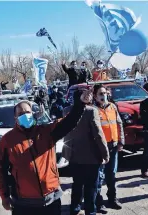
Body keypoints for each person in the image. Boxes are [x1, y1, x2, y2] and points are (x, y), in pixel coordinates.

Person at [0, 90, 87, 215]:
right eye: (20, 113)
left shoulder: (46, 132)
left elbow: (69, 122)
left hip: (51, 200)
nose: (25, 115)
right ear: (15, 118)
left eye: (27, 112)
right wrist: (4, 196)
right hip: (23, 203)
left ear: (33, 113)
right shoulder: (7, 140)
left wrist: (80, 103)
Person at [62, 86, 110, 215]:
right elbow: (98, 134)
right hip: (91, 157)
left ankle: (75, 208)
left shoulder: (66, 110)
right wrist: (105, 153)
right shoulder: (91, 111)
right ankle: (90, 211)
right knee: (91, 186)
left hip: (73, 155)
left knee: (77, 184)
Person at [93, 84, 125, 212]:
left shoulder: (112, 107)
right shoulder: (93, 110)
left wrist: (121, 141)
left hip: (113, 145)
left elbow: (119, 124)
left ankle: (112, 199)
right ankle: (98, 202)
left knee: (111, 174)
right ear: (95, 96)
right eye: (100, 94)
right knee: (99, 176)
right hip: (100, 149)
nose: (103, 96)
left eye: (105, 93)